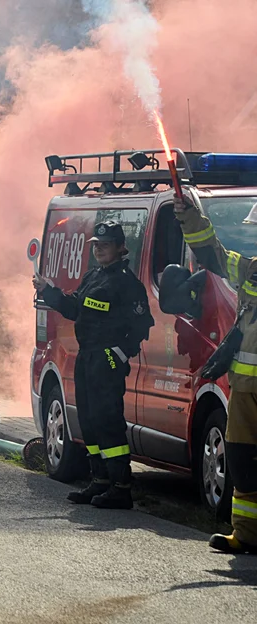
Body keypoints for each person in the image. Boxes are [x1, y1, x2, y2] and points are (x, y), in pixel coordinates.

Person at [33, 221, 153, 509]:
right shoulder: (92, 277)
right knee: (87, 419)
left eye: (105, 244)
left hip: (107, 360)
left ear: (120, 248)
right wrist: (49, 291)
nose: (99, 249)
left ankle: (121, 487)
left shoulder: (127, 284)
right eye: (96, 245)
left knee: (107, 421)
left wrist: (119, 355)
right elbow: (75, 307)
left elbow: (142, 324)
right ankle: (99, 480)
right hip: (87, 357)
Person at [175, 193, 257, 553]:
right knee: (241, 459)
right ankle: (246, 534)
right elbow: (213, 257)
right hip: (245, 389)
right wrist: (190, 218)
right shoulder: (251, 269)